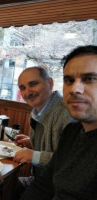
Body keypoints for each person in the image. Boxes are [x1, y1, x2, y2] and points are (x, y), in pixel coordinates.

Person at [20, 45, 97, 200]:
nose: (75, 89)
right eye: (69, 80)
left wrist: (33, 155)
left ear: (50, 83)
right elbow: (43, 184)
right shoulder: (72, 132)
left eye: (89, 79)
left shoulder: (66, 116)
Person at [14, 67, 73, 175]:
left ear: (50, 83)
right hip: (39, 181)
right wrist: (32, 142)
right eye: (22, 88)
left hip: (55, 189)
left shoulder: (67, 114)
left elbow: (71, 162)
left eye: (33, 84)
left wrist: (34, 156)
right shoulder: (37, 111)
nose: (27, 92)